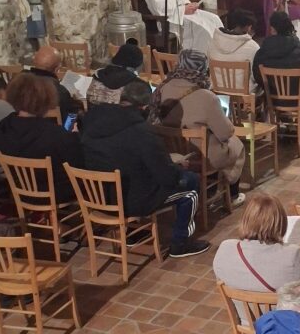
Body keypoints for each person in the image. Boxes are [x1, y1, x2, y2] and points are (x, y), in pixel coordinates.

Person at [82, 80, 210, 258]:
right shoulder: (142, 133)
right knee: (190, 184)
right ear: (144, 107)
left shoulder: (91, 121)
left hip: (98, 197)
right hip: (134, 200)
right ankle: (181, 243)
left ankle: (133, 233)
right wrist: (177, 167)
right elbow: (167, 177)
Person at [150, 49, 246, 208]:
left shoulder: (162, 88)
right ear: (202, 68)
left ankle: (210, 189)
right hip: (200, 156)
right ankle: (232, 194)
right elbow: (225, 132)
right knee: (235, 144)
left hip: (171, 153)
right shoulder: (206, 96)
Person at [0, 72, 83, 202]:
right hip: (53, 194)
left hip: (19, 191)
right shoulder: (56, 135)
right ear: (46, 99)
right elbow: (76, 166)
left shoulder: (2, 129)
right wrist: (74, 137)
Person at [213, 192, 300, 292]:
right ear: (280, 223)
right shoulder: (292, 255)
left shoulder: (225, 249)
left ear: (246, 219)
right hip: (280, 314)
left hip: (243, 314)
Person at [253, 11, 300, 107]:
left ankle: (283, 118)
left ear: (272, 29)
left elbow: (258, 77)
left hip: (275, 100)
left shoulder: (261, 53)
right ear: (290, 27)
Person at [209, 8, 261, 93]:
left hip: (217, 91)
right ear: (249, 27)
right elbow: (255, 75)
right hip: (243, 93)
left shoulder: (213, 43)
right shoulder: (253, 47)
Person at [29, 46, 80, 118]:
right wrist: (76, 104)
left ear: (34, 62)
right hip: (50, 128)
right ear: (57, 69)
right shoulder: (60, 92)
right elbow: (69, 120)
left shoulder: (18, 83)